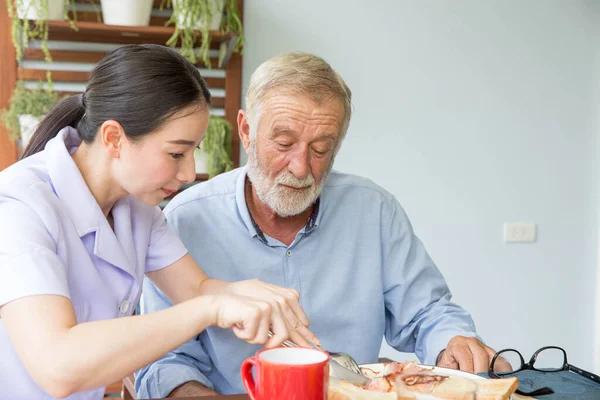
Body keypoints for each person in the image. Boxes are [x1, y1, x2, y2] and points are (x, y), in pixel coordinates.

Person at [136, 52, 507, 398]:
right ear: (246, 131)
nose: (300, 167)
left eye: (320, 149)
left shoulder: (373, 210)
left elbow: (428, 312)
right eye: (283, 143)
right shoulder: (184, 219)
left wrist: (455, 340)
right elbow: (165, 360)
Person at [0, 45, 318, 400]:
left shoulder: (138, 208)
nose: (188, 172)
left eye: (193, 151)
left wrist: (253, 294)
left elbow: (196, 289)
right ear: (113, 138)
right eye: (176, 153)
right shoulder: (19, 206)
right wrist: (211, 309)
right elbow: (58, 367)